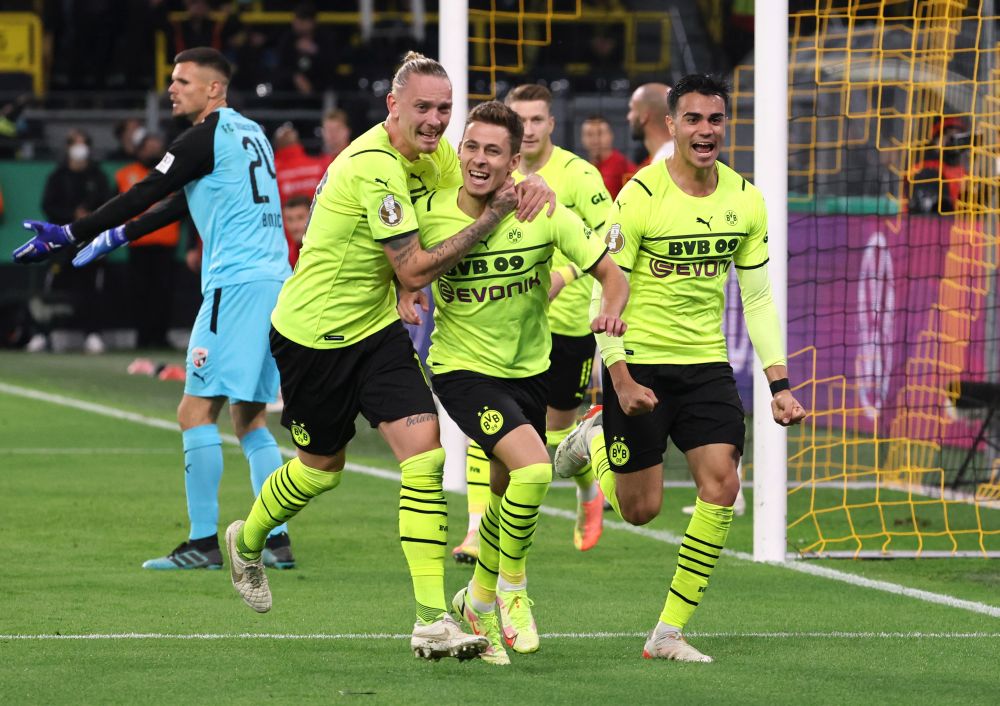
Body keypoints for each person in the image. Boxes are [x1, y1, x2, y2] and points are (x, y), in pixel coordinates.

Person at [221, 51, 555, 662]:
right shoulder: (375, 166)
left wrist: (531, 186)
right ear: (391, 107)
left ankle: (432, 620)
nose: (434, 121)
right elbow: (418, 262)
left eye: (444, 109)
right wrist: (485, 225)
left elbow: (474, 196)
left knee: (424, 456)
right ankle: (248, 539)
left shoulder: (435, 157)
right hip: (314, 335)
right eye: (422, 108)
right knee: (321, 468)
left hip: (376, 330)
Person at [554, 74, 806, 663]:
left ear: (725, 126)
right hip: (639, 362)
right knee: (641, 511)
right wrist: (617, 377)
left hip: (705, 365)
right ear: (671, 126)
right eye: (692, 119)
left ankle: (667, 631)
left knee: (721, 484)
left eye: (714, 120)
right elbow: (605, 290)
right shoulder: (640, 197)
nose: (705, 131)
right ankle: (593, 439)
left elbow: (760, 298)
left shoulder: (746, 198)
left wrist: (779, 382)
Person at [13, 47, 296, 572]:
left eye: (183, 80)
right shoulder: (251, 133)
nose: (172, 89)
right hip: (276, 283)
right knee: (250, 416)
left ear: (214, 88)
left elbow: (148, 189)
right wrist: (118, 235)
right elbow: (184, 200)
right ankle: (276, 539)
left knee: (194, 411)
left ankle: (204, 542)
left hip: (233, 288)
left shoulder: (200, 137)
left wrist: (73, 232)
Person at [399, 100, 628, 664]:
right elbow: (397, 263)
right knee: (533, 467)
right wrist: (404, 290)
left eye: (493, 151)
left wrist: (612, 313)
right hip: (461, 371)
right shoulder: (429, 211)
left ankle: (475, 598)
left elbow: (611, 273)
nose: (479, 159)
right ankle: (512, 591)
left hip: (530, 369)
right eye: (471, 147)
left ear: (515, 158)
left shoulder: (542, 210)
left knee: (509, 494)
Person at [450, 83, 615, 567]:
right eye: (520, 121)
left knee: (556, 432)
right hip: (494, 330)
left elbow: (609, 240)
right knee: (492, 431)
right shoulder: (490, 174)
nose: (528, 130)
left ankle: (587, 485)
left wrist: (564, 275)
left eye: (537, 120)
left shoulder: (578, 176)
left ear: (550, 124)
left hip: (563, 326)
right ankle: (479, 531)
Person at [27, 129, 113, 354]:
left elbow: (109, 207)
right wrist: (70, 216)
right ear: (67, 148)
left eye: (83, 143)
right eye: (75, 144)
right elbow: (48, 207)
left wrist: (90, 218)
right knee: (51, 288)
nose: (79, 148)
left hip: (90, 243)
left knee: (92, 289)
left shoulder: (98, 176)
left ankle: (93, 335)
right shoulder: (58, 176)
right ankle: (42, 334)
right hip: (60, 243)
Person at [115, 133, 181, 349]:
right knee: (140, 293)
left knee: (164, 293)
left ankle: (161, 337)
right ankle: (142, 337)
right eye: (149, 147)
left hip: (165, 244)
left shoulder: (172, 175)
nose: (153, 151)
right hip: (138, 244)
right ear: (139, 150)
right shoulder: (125, 175)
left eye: (157, 147)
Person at [580, 114, 635, 198]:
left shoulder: (623, 166)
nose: (595, 140)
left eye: (600, 133)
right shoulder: (582, 170)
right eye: (589, 134)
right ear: (582, 139)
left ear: (610, 136)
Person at [627, 82, 673, 166]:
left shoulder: (662, 165)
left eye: (632, 109)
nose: (628, 117)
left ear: (643, 117)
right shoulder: (677, 156)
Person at [281, 194, 311, 267]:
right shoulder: (287, 257)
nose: (295, 226)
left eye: (300, 218)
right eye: (290, 219)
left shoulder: (326, 249)